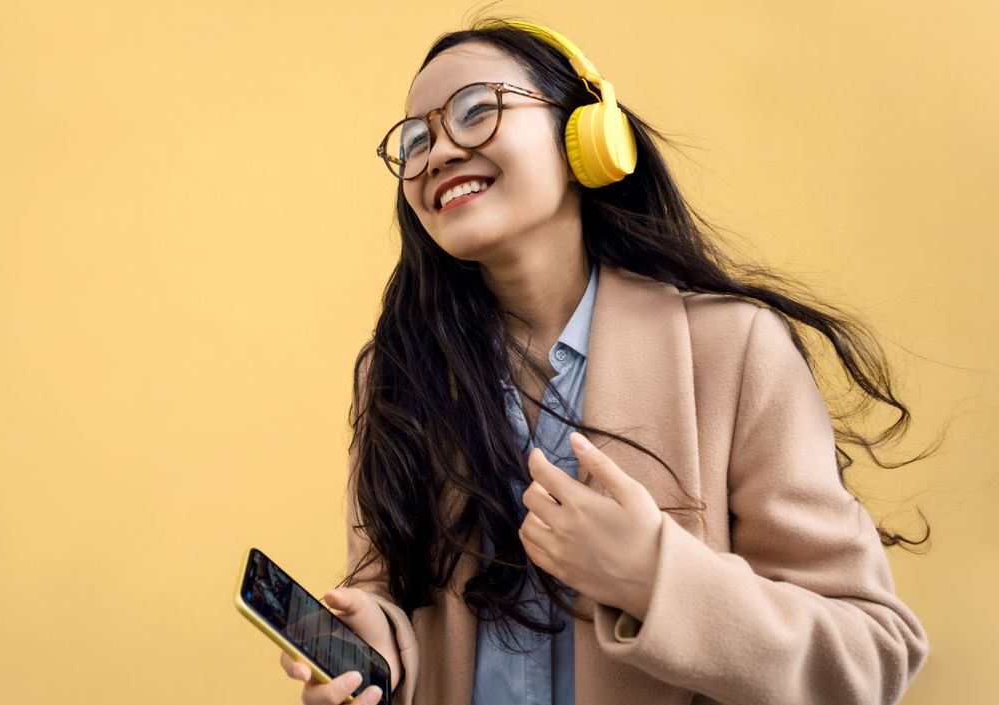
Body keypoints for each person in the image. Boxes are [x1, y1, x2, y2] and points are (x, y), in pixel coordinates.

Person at [279, 15, 930, 705]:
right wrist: (376, 643)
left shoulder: (734, 348)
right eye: (415, 141)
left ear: (585, 136)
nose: (437, 153)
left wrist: (654, 577)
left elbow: (872, 654)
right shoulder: (398, 375)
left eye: (476, 112)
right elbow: (386, 588)